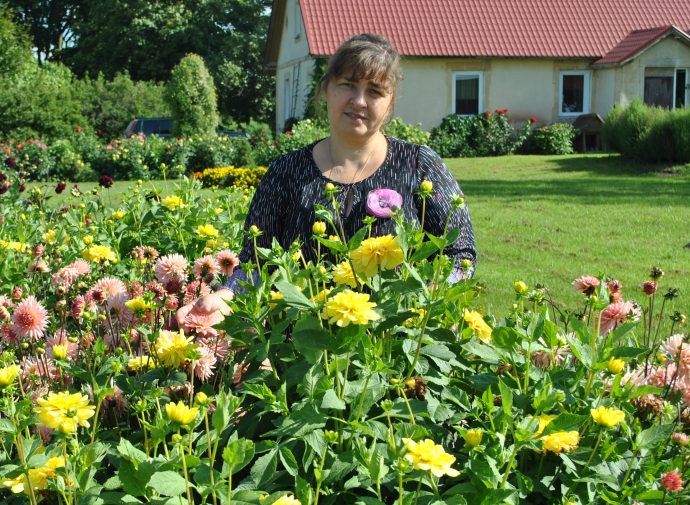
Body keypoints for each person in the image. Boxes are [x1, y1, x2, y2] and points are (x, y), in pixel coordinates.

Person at [177, 32, 476, 332]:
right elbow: (255, 264)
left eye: (374, 91)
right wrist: (225, 297)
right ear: (326, 90)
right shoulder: (286, 171)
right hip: (302, 352)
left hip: (392, 349)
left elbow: (461, 251)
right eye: (347, 85)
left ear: (390, 103)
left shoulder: (418, 164)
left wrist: (428, 297)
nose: (359, 101)